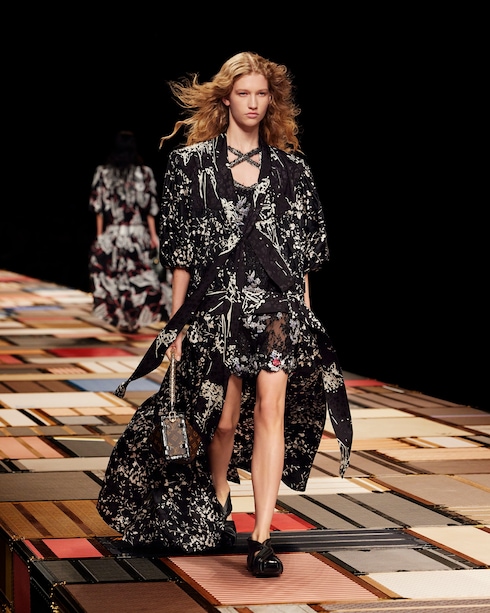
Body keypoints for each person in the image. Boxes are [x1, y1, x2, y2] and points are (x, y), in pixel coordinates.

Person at [97, 52, 353, 578]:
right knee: (223, 421)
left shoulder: (293, 170)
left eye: (262, 94)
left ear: (272, 100)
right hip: (219, 308)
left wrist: (305, 318)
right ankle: (217, 505)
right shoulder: (190, 166)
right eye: (244, 93)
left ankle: (262, 535)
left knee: (271, 412)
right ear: (226, 98)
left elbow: (301, 255)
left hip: (278, 313)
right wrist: (175, 327)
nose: (253, 103)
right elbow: (182, 256)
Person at [88, 130, 171, 333]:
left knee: (115, 277)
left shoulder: (103, 173)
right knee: (140, 278)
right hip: (137, 234)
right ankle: (132, 319)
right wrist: (153, 236)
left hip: (114, 234)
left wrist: (100, 236)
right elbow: (149, 208)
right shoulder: (144, 173)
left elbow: (99, 208)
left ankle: (124, 319)